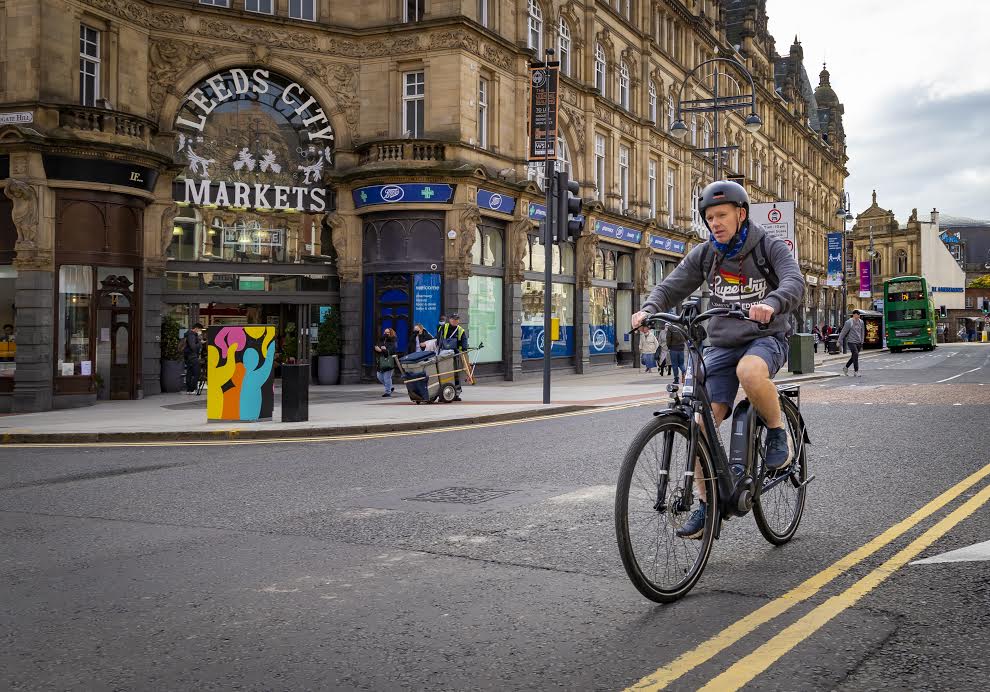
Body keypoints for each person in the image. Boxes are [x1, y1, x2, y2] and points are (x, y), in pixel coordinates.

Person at [631, 180, 804, 539]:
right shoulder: (707, 253)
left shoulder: (767, 247)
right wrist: (649, 308)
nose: (715, 223)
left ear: (741, 214)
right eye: (709, 218)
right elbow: (672, 285)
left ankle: (776, 434)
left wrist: (770, 304)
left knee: (750, 371)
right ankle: (708, 505)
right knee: (699, 421)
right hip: (721, 344)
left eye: (722, 215)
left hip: (765, 338)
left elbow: (793, 282)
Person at [438, 313, 469, 401]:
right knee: (444, 373)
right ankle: (442, 392)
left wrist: (464, 349)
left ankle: (456, 393)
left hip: (455, 355)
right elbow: (438, 339)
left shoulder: (460, 330)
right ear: (450, 319)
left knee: (455, 373)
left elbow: (464, 341)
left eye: (457, 319)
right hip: (443, 355)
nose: (456, 321)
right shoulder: (444, 327)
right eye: (454, 319)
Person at [838, 310, 865, 376]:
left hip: (858, 342)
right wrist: (839, 341)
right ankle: (856, 371)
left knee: (854, 356)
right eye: (858, 315)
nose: (859, 316)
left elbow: (862, 332)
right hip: (851, 341)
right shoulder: (849, 322)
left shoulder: (861, 322)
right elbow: (843, 332)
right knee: (855, 354)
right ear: (854, 315)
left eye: (859, 315)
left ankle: (846, 367)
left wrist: (862, 341)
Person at [373, 328, 397, 397]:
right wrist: (376, 349)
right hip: (380, 361)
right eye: (385, 332)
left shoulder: (393, 341)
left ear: (391, 333)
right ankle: (390, 387)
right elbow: (376, 347)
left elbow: (390, 352)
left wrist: (382, 350)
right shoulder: (381, 340)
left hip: (389, 362)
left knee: (387, 378)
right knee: (379, 376)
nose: (386, 334)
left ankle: (388, 392)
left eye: (388, 333)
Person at [666, 314, 688, 384]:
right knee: (681, 364)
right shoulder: (682, 327)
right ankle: (684, 373)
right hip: (681, 348)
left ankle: (676, 379)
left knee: (674, 364)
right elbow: (686, 336)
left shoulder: (670, 328)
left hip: (673, 348)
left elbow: (668, 339)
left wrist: (668, 346)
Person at [183, 323, 203, 395]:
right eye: (200, 330)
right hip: (192, 357)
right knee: (196, 373)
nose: (200, 331)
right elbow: (193, 347)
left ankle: (189, 390)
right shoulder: (191, 335)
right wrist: (200, 343)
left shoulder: (189, 334)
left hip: (189, 357)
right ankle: (192, 389)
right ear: (196, 328)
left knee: (190, 373)